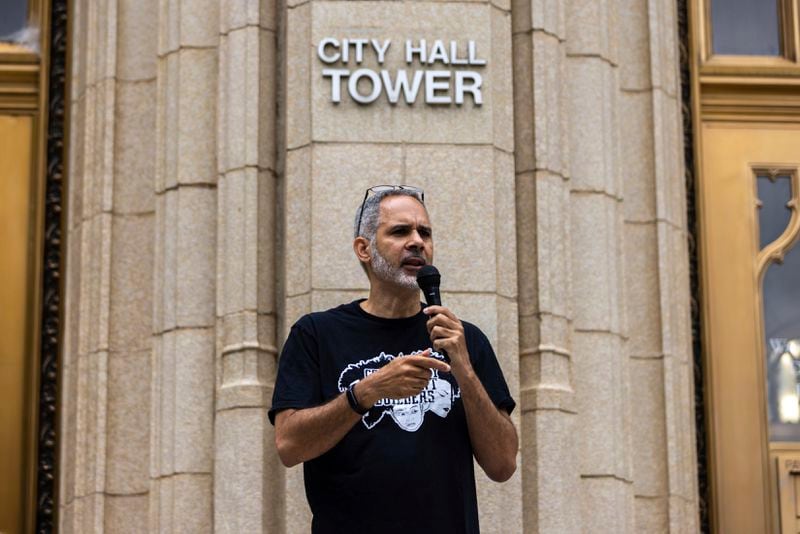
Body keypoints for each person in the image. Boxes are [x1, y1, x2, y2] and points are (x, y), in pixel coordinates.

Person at [269, 185, 518, 534]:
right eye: (400, 231)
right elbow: (289, 446)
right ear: (364, 248)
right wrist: (366, 392)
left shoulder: (465, 340)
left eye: (425, 233)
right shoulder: (317, 334)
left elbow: (503, 464)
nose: (417, 242)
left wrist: (463, 367)